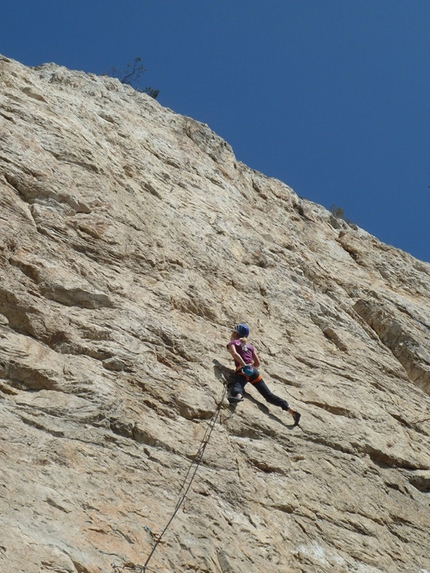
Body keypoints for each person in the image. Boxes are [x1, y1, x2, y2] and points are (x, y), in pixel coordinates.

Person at [226, 323, 301, 426]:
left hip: (243, 370)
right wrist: (249, 366)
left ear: (235, 333)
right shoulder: (250, 346)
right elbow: (257, 363)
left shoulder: (233, 343)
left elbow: (235, 354)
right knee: (269, 396)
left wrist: (243, 366)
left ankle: (238, 396)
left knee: (238, 387)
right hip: (254, 372)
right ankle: (290, 410)